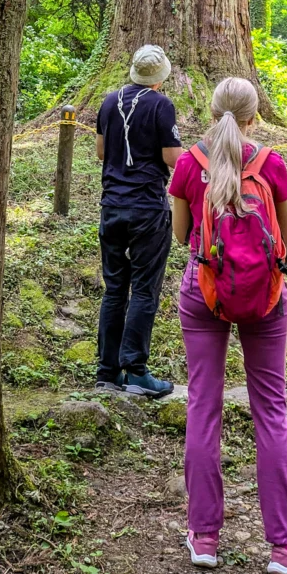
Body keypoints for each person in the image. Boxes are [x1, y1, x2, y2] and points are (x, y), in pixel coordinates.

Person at [168, 77, 287, 574]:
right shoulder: (271, 163)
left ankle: (204, 535)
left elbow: (183, 236)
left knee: (202, 404)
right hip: (266, 296)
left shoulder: (189, 163)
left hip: (202, 291)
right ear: (255, 116)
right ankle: (285, 545)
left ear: (212, 112)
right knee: (270, 410)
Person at [95, 44, 182, 397]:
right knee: (145, 288)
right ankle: (137, 370)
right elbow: (172, 157)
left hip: (111, 206)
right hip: (147, 207)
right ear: (160, 78)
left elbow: (101, 152)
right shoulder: (161, 105)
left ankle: (107, 371)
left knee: (115, 289)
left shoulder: (107, 101)